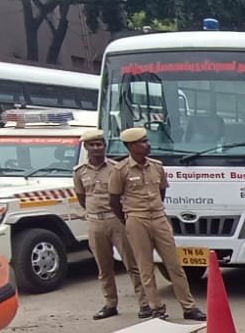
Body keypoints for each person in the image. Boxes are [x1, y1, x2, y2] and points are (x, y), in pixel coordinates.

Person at [108, 127, 205, 321]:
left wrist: (155, 209)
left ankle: (188, 306)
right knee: (145, 266)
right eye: (143, 142)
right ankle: (156, 307)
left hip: (158, 217)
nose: (148, 145)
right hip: (136, 218)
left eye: (147, 140)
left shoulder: (156, 166)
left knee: (174, 265)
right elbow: (114, 200)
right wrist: (128, 218)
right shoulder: (121, 170)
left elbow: (162, 192)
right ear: (131, 146)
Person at [74, 128, 147, 319]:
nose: (97, 148)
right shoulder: (80, 172)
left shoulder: (116, 168)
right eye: (92, 145)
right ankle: (110, 304)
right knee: (103, 267)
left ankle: (145, 303)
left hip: (116, 219)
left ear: (105, 146)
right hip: (95, 222)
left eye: (100, 144)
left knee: (132, 263)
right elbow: (82, 197)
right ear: (86, 148)